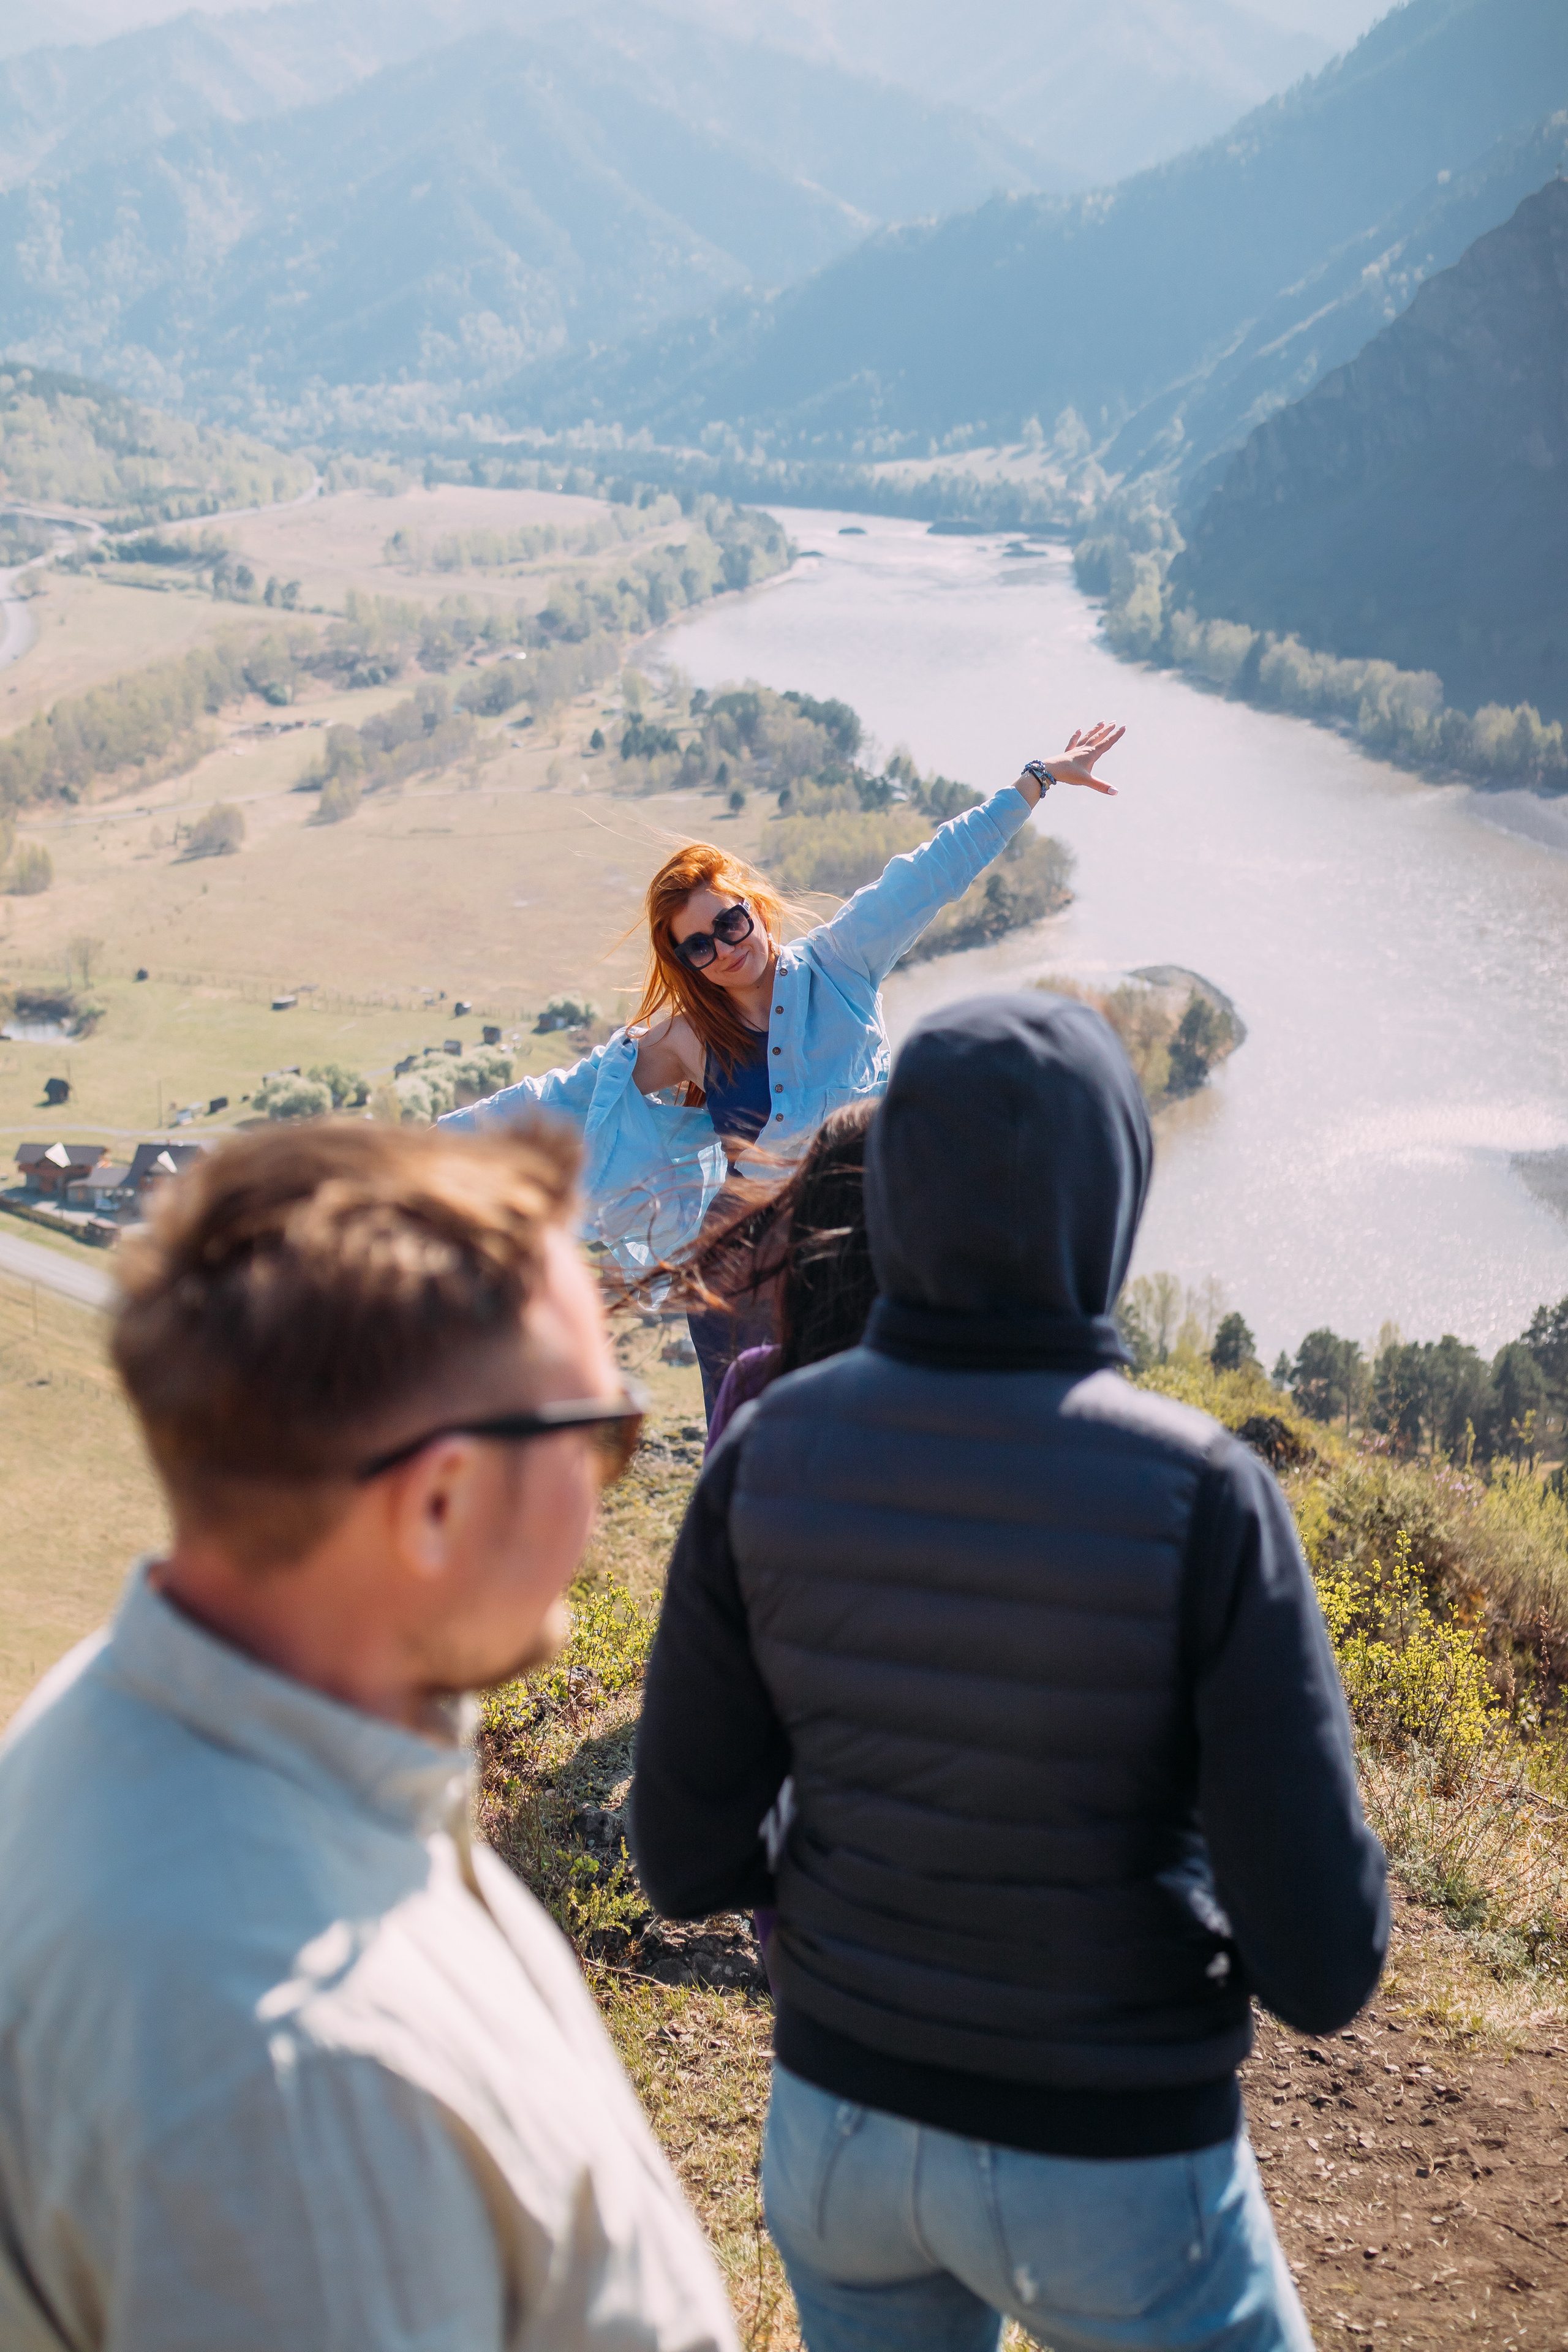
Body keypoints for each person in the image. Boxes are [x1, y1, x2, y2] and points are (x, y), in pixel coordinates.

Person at [631, 993, 1389, 2352]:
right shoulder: (1201, 1493)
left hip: (839, 2126)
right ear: (1113, 1198)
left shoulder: (766, 1452)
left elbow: (684, 1860)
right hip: (1114, 2155)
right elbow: (1323, 1964)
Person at [0, 1121, 739, 2352]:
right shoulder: (305, 2091)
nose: (608, 1491)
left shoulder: (127, 1715)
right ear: (439, 1501)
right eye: (598, 1435)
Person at [442, 725, 1122, 1406]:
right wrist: (428, 1151)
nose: (723, 949)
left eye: (729, 923)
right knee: (761, 1441)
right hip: (744, 1287)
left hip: (874, 1248)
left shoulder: (842, 965)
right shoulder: (686, 1038)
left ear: (757, 909)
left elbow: (931, 873)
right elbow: (565, 1097)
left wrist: (1038, 779)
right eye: (698, 947)